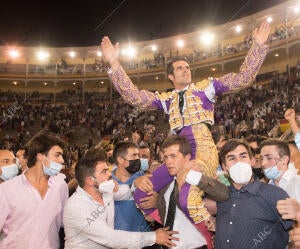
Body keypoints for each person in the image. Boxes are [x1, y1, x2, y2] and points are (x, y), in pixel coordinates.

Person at [101, 21, 270, 224]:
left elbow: (242, 79)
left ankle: (214, 233)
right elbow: (134, 96)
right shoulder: (166, 99)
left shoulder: (206, 88)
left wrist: (258, 46)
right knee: (140, 193)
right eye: (180, 68)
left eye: (188, 67)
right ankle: (171, 224)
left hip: (202, 150)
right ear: (170, 76)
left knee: (188, 197)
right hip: (178, 154)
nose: (186, 70)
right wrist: (114, 64)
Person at [63, 148, 178, 249]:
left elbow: (128, 192)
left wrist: (137, 184)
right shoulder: (77, 206)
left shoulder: (105, 192)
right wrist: (154, 237)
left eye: (108, 169)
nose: (109, 174)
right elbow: (110, 238)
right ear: (90, 180)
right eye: (104, 171)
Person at [135, 135, 229, 249]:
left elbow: (224, 194)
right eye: (166, 157)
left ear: (187, 158)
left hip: (199, 245)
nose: (168, 162)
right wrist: (137, 182)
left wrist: (194, 176)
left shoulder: (200, 178)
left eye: (173, 156)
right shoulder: (164, 188)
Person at [216, 139, 294, 249]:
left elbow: (296, 233)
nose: (239, 162)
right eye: (232, 158)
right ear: (224, 167)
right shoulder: (223, 196)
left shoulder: (274, 194)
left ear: (252, 161)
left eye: (243, 156)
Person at [0, 131, 68, 249]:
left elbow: (65, 222)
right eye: (57, 155)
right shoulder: (7, 190)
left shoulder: (61, 186)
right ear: (40, 156)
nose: (62, 160)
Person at [111, 141, 151, 232]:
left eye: (138, 155)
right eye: (134, 155)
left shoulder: (145, 178)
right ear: (120, 160)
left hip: (143, 237)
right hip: (117, 239)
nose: (138, 158)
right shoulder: (107, 181)